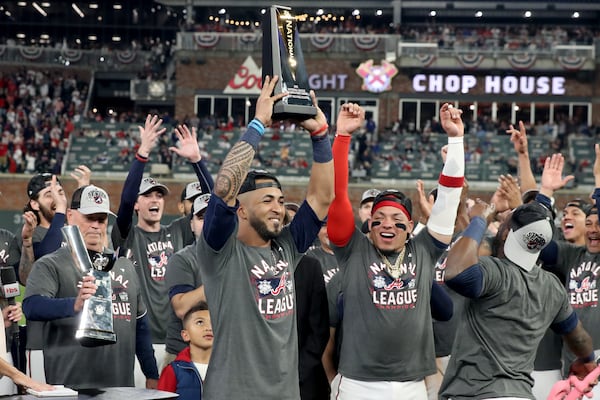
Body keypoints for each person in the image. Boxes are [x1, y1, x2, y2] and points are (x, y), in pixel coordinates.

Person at [197, 75, 361, 399]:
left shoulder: (286, 247)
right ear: (241, 211)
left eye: (281, 200)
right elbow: (225, 185)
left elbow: (321, 198)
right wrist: (259, 123)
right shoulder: (220, 252)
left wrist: (320, 135)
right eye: (267, 200)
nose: (278, 208)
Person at [326, 103, 463, 398]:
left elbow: (449, 197)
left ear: (411, 225)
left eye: (397, 219)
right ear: (369, 224)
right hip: (357, 384)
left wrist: (456, 141)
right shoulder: (354, 250)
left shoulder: (424, 248)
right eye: (379, 218)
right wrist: (343, 136)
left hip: (413, 385)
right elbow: (337, 195)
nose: (387, 224)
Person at [439, 199, 597, 399]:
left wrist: (479, 221)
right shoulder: (552, 286)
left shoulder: (494, 271)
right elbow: (579, 337)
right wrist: (587, 359)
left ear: (506, 234)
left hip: (474, 393)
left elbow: (456, 273)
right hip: (520, 394)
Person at [23, 185, 159, 389]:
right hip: (70, 386)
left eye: (101, 219)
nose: (96, 225)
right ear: (70, 215)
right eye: (89, 217)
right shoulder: (51, 263)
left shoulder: (124, 265)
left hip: (121, 387)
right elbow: (31, 307)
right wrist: (75, 305)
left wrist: (151, 373)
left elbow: (139, 325)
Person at [111, 121, 213, 377]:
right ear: (137, 204)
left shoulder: (179, 230)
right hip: (139, 340)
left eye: (159, 195)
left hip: (177, 339)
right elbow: (123, 202)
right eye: (148, 195)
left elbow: (215, 207)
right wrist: (142, 152)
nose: (155, 199)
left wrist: (197, 161)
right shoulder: (128, 236)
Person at [538, 147, 600, 397]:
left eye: (598, 224)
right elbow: (535, 241)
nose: (593, 229)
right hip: (573, 361)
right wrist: (546, 194)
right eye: (589, 225)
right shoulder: (571, 256)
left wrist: (598, 181)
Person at [284, 209, 330, 400]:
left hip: (303, 379)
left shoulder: (310, 266)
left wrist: (298, 372)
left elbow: (318, 329)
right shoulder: (249, 265)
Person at [164, 194, 211, 366]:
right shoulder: (182, 259)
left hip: (224, 352)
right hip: (183, 355)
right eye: (201, 217)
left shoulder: (238, 258)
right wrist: (220, 279)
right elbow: (181, 307)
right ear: (191, 224)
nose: (208, 222)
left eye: (214, 216)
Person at [158, 301, 213, 400]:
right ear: (185, 335)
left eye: (213, 322)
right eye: (200, 322)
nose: (209, 328)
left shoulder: (228, 369)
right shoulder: (173, 371)